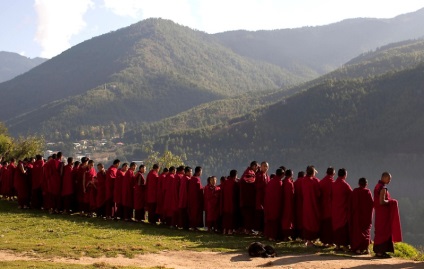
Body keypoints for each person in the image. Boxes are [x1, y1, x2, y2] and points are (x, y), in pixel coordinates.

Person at [373, 172, 402, 258]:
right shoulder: (382, 188)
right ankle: (380, 252)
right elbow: (382, 201)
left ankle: (380, 251)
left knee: (380, 231)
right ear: (384, 178)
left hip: (379, 213)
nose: (390, 180)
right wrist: (392, 201)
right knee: (384, 231)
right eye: (389, 179)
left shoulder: (377, 186)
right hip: (383, 214)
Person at [350, 177, 373, 254]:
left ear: (359, 184)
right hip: (366, 216)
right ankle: (366, 249)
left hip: (357, 216)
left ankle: (358, 249)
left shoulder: (355, 191)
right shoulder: (368, 192)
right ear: (366, 184)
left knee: (357, 232)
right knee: (366, 232)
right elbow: (371, 204)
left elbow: (351, 203)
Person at [331, 168, 352, 251]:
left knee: (336, 227)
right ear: (344, 175)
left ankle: (337, 245)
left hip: (335, 209)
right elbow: (352, 195)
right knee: (343, 228)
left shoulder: (334, 184)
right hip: (343, 209)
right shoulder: (345, 185)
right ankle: (345, 245)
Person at [302, 165, 321, 247]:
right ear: (313, 173)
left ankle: (306, 240)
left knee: (306, 221)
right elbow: (318, 193)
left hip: (306, 204)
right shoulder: (314, 182)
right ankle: (309, 241)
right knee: (312, 222)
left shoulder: (303, 180)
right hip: (313, 205)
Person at [263, 168, 283, 241]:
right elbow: (280, 195)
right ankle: (273, 237)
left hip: (268, 204)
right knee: (274, 221)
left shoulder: (270, 181)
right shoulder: (279, 182)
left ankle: (268, 236)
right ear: (282, 175)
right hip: (276, 205)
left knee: (269, 221)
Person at [239, 161, 258, 235]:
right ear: (254, 166)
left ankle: (248, 229)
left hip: (246, 199)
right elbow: (248, 181)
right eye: (257, 167)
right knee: (248, 216)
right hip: (247, 199)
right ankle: (247, 230)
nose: (257, 168)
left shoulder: (248, 172)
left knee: (248, 215)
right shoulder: (249, 173)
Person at [319, 167, 335, 246]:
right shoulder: (332, 183)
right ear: (333, 174)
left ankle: (324, 242)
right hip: (330, 207)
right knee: (329, 225)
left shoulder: (321, 182)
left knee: (324, 225)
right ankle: (330, 242)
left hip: (322, 206)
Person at [221, 169, 238, 235]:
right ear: (235, 175)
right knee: (231, 217)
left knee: (226, 216)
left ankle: (225, 230)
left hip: (225, 203)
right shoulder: (235, 183)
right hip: (232, 203)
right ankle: (230, 230)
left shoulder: (225, 182)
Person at [254, 161, 270, 234]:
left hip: (265, 197)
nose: (265, 168)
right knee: (259, 213)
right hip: (259, 197)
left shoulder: (267, 176)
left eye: (267, 166)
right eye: (264, 166)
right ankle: (259, 230)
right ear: (261, 167)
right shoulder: (259, 175)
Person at [281, 169, 295, 241]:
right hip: (289, 203)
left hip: (283, 202)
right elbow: (292, 194)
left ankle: (285, 236)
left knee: (285, 219)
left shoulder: (283, 182)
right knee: (288, 220)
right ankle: (286, 236)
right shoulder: (289, 183)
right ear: (291, 175)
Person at [293, 171, 305, 240]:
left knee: (297, 220)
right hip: (303, 204)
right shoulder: (304, 182)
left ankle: (296, 235)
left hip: (296, 203)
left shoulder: (295, 183)